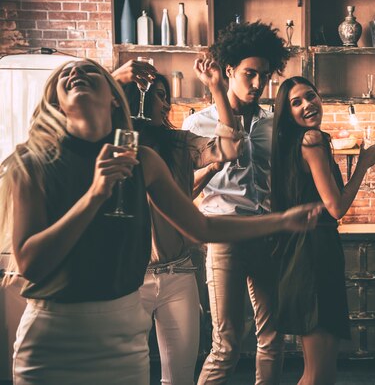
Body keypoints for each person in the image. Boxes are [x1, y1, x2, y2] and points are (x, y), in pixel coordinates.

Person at [1, 58, 321, 385]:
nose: (76, 73)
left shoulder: (144, 158)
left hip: (120, 333)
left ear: (113, 98)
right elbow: (30, 263)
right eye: (67, 74)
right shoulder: (32, 161)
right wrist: (95, 195)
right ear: (55, 101)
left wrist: (280, 221)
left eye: (89, 72)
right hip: (51, 333)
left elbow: (203, 227)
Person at [116, 58, 240, 385]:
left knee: (180, 378)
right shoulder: (111, 147)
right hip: (130, 279)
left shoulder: (179, 143)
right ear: (130, 99)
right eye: (153, 94)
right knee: (127, 375)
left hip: (179, 273)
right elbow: (60, 117)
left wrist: (217, 88)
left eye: (162, 94)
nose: (163, 102)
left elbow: (229, 146)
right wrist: (114, 78)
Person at [182, 21, 291, 385]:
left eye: (264, 75)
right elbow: (186, 191)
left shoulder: (273, 123)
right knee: (226, 343)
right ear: (228, 70)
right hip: (223, 235)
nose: (258, 84)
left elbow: (279, 180)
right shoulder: (198, 124)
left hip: (264, 232)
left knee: (273, 338)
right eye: (249, 74)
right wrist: (217, 162)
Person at [271, 76, 375, 384]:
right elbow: (336, 207)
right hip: (315, 256)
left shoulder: (296, 144)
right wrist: (363, 165)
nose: (308, 104)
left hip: (307, 254)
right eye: (296, 102)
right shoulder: (311, 141)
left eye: (311, 96)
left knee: (323, 371)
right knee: (318, 374)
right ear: (287, 112)